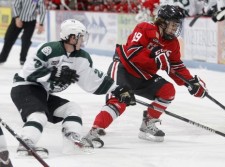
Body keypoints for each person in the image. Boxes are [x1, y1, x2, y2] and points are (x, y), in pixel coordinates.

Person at [10, 19, 136, 157]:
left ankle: (73, 139)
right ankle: (26, 142)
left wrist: (117, 89)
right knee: (39, 115)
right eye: (80, 37)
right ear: (71, 37)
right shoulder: (49, 49)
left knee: (73, 108)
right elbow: (29, 71)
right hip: (24, 87)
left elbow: (92, 79)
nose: (83, 40)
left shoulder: (81, 58)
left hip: (43, 93)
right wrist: (54, 74)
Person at [85, 4, 207, 144]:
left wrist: (190, 82)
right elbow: (132, 52)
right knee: (119, 102)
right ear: (163, 21)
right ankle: (94, 131)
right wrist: (153, 54)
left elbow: (176, 67)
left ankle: (148, 124)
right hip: (123, 70)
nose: (175, 28)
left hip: (144, 76)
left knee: (167, 90)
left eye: (177, 25)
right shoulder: (145, 28)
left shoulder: (172, 43)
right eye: (173, 24)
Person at [0, 0, 46, 65]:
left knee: (26, 40)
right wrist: (16, 18)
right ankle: (2, 58)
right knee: (8, 38)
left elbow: (42, 10)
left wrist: (41, 24)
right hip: (18, 18)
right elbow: (14, 5)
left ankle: (23, 60)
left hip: (30, 21)